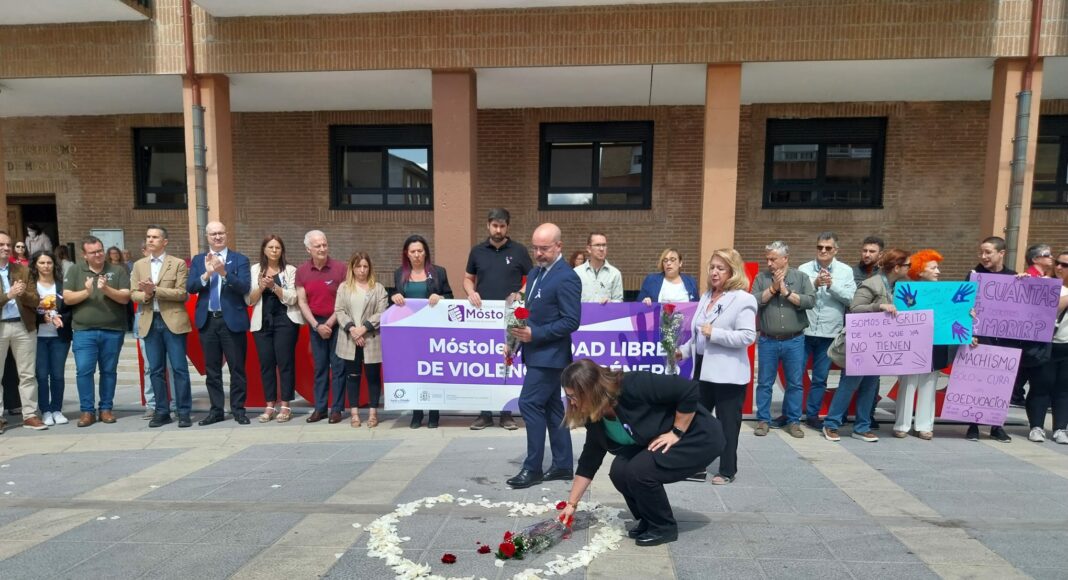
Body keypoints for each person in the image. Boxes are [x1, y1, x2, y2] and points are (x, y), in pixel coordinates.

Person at [556, 359, 724, 547]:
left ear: (590, 390)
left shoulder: (633, 384)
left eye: (574, 396)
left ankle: (664, 527)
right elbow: (589, 460)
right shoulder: (595, 416)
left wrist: (677, 431)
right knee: (619, 471)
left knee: (639, 471)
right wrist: (572, 504)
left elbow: (689, 389)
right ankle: (649, 519)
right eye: (568, 396)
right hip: (663, 439)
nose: (571, 402)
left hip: (697, 437)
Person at [505, 223, 580, 489]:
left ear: (559, 246)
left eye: (544, 248)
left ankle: (532, 467)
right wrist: (513, 342)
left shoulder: (567, 276)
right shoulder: (536, 273)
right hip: (536, 354)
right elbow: (529, 314)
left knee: (529, 403)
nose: (538, 253)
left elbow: (572, 321)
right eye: (535, 248)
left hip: (551, 356)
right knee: (551, 408)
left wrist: (536, 334)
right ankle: (562, 464)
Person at [677, 248, 755, 485]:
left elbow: (747, 336)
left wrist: (717, 334)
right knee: (696, 418)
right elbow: (698, 334)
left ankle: (727, 470)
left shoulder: (743, 299)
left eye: (720, 268)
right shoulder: (705, 296)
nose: (714, 272)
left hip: (728, 373)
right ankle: (696, 466)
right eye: (712, 267)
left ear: (732, 271)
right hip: (702, 368)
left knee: (727, 423)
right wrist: (684, 350)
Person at [822, 249, 911, 443]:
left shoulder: (899, 286)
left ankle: (862, 426)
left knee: (870, 385)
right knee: (849, 384)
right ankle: (831, 424)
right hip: (862, 344)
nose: (909, 268)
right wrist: (878, 306)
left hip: (879, 344)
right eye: (907, 265)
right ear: (897, 267)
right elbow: (855, 308)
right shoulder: (872, 284)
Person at [964, 236, 1039, 443]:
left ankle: (997, 426)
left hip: (1006, 339)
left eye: (988, 252)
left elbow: (1025, 307)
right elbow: (964, 306)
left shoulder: (1014, 277)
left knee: (1002, 384)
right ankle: (974, 425)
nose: (983, 256)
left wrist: (1027, 284)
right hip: (981, 337)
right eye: (981, 252)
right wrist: (971, 332)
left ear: (1001, 253)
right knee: (977, 382)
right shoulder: (974, 275)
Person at [464, 208, 532, 430]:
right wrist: (470, 291)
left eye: (502, 226)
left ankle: (506, 414)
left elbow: (531, 278)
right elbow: (467, 278)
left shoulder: (519, 251)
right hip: (482, 317)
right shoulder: (477, 251)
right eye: (495, 225)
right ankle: (484, 414)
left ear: (507, 227)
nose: (498, 230)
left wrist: (520, 293)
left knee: (507, 363)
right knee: (485, 364)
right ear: (488, 225)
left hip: (510, 317)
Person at [63, 235, 131, 427]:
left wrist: (106, 289)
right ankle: (87, 411)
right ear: (84, 255)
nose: (98, 254)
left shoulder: (117, 270)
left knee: (109, 371)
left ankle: (106, 409)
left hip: (113, 330)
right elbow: (67, 298)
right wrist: (87, 292)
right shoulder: (76, 270)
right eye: (93, 252)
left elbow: (125, 297)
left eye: (100, 250)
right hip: (84, 331)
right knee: (84, 371)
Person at [187, 221, 251, 426]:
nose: (217, 237)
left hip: (231, 320)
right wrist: (207, 273)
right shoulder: (198, 260)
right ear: (207, 236)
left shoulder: (239, 259)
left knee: (237, 368)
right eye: (213, 234)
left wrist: (223, 272)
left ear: (226, 234)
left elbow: (243, 287)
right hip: (208, 321)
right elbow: (191, 287)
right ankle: (216, 411)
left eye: (221, 233)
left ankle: (238, 410)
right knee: (212, 370)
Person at [750, 241, 815, 438]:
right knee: (764, 382)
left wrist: (786, 292)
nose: (769, 263)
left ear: (785, 258)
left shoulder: (801, 277)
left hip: (794, 340)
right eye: (767, 259)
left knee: (795, 383)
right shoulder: (761, 278)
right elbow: (753, 301)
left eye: (773, 259)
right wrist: (773, 289)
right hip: (768, 340)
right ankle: (763, 420)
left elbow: (810, 301)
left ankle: (793, 421)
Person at [130, 226, 193, 429]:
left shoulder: (178, 263)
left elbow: (182, 293)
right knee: (155, 370)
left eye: (155, 237)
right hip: (149, 320)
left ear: (164, 241)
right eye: (148, 236)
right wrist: (146, 295)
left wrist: (155, 290)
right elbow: (133, 294)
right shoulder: (139, 265)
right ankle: (162, 411)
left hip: (172, 321)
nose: (150, 240)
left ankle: (183, 412)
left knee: (179, 369)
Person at [392, 234, 453, 428]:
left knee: (432, 372)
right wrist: (394, 296)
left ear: (425, 252)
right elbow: (394, 298)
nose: (417, 255)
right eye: (413, 252)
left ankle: (434, 413)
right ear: (406, 254)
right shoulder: (399, 273)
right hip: (409, 333)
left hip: (432, 332)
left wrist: (440, 297)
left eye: (420, 251)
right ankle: (416, 413)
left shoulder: (438, 272)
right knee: (413, 372)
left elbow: (450, 297)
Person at [798, 233, 856, 429]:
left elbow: (851, 299)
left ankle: (812, 415)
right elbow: (797, 297)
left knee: (820, 378)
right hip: (805, 331)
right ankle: (792, 415)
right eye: (820, 247)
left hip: (829, 333)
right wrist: (813, 284)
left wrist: (832, 286)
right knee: (795, 375)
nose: (823, 251)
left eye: (828, 248)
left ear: (836, 250)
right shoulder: (804, 269)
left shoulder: (846, 271)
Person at [893, 249, 949, 440]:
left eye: (938, 268)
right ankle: (902, 423)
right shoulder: (906, 290)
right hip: (913, 343)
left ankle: (925, 425)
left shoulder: (946, 293)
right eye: (933, 267)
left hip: (936, 343)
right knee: (908, 383)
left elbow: (953, 315)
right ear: (920, 270)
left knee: (929, 383)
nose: (938, 271)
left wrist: (967, 315)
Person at [295, 230, 348, 424]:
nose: (322, 248)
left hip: (337, 322)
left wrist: (330, 323)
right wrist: (317, 325)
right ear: (308, 249)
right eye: (318, 246)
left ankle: (337, 409)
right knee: (320, 368)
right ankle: (320, 408)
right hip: (316, 324)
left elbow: (343, 300)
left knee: (339, 367)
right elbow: (302, 302)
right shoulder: (301, 271)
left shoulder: (340, 268)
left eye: (325, 244)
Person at [248, 235, 302, 423]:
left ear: (282, 251)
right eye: (270, 247)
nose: (274, 250)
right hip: (262, 323)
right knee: (266, 364)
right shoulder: (255, 270)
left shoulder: (290, 270)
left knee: (285, 363)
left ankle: (286, 405)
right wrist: (262, 287)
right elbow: (250, 300)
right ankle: (270, 404)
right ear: (264, 250)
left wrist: (275, 287)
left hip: (285, 322)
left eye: (277, 247)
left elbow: (294, 298)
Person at [335, 252, 388, 428]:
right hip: (350, 339)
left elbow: (382, 312)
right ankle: (355, 413)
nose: (362, 270)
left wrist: (363, 329)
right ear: (352, 268)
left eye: (365, 266)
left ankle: (373, 413)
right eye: (358, 266)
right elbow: (339, 311)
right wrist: (352, 330)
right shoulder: (344, 287)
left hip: (371, 338)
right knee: (353, 376)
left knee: (373, 377)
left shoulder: (378, 288)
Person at [0, 232, 46, 430]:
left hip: (23, 326)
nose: (6, 248)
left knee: (27, 374)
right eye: (1, 244)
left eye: (8, 244)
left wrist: (21, 294)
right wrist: (8, 295)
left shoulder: (22, 270)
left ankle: (29, 415)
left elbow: (36, 300)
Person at [1030, 250, 1068, 444]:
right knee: (1041, 386)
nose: (1059, 267)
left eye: (1065, 265)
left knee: (1063, 389)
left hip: (1067, 346)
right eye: (1058, 263)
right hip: (1047, 344)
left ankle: (1060, 428)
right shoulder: (1046, 284)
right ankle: (1036, 426)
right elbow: (1049, 310)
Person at [31, 250, 71, 426]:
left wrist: (61, 318)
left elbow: (70, 309)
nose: (46, 266)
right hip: (38, 336)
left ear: (54, 264)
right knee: (41, 375)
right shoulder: (32, 286)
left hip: (59, 337)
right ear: (35, 265)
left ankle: (57, 409)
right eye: (42, 263)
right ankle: (45, 410)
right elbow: (27, 310)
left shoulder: (62, 285)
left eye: (49, 262)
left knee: (57, 375)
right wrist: (43, 318)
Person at [574, 232, 623, 304]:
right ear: (589, 249)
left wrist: (611, 303)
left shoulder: (615, 273)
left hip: (606, 314)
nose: (602, 249)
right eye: (597, 245)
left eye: (604, 245)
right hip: (583, 315)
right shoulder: (577, 272)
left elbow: (619, 300)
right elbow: (571, 300)